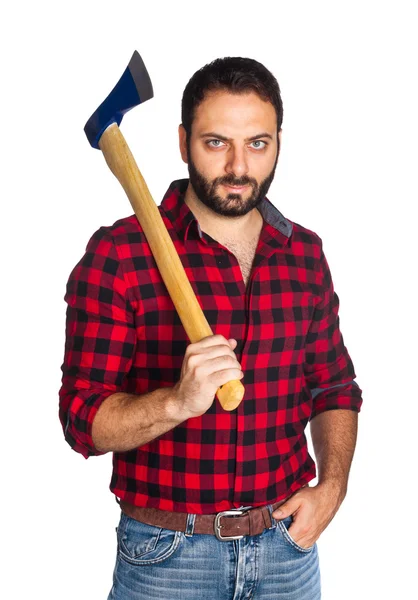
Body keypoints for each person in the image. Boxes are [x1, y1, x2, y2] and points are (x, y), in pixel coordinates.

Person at [59, 56, 363, 600]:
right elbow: (82, 418)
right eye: (217, 142)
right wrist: (177, 401)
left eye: (258, 143)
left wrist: (332, 488)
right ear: (183, 142)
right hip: (167, 557)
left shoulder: (304, 254)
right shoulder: (120, 254)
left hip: (288, 549)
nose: (239, 166)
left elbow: (334, 386)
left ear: (278, 143)